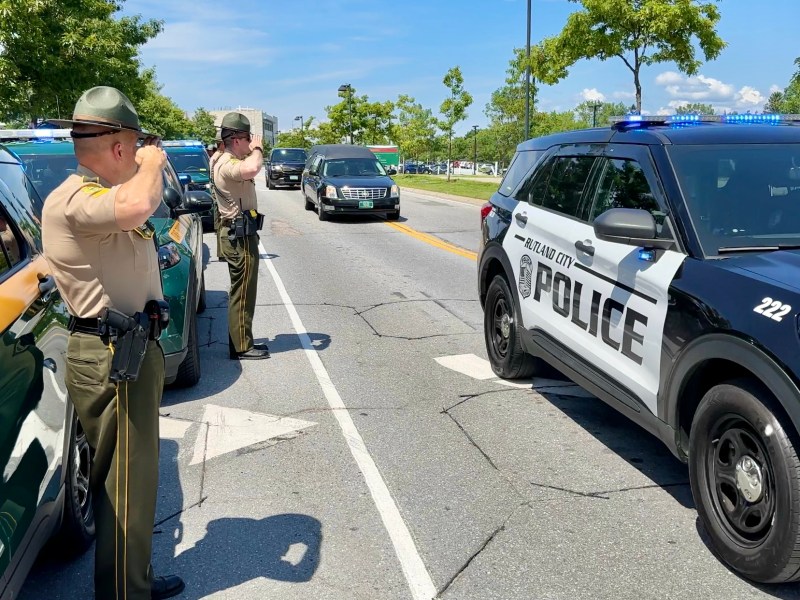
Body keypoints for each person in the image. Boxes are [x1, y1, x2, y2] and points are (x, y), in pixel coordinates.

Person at [42, 86, 184, 600]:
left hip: (130, 348)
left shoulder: (104, 194)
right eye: (136, 146)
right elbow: (140, 202)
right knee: (124, 486)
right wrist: (154, 158)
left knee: (137, 480)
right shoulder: (78, 199)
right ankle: (125, 594)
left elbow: (152, 211)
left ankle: (134, 581)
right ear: (122, 149)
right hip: (110, 355)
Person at [212, 112, 270, 360]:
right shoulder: (228, 164)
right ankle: (242, 346)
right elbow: (253, 167)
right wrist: (257, 150)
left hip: (239, 232)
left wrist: (249, 149)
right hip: (239, 235)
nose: (251, 144)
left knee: (242, 289)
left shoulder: (221, 158)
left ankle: (239, 339)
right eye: (247, 139)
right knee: (243, 291)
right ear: (236, 140)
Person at [209, 135, 225, 261]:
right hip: (219, 196)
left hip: (217, 195)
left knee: (221, 225)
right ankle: (223, 253)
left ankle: (223, 252)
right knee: (222, 225)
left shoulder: (216, 156)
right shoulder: (218, 157)